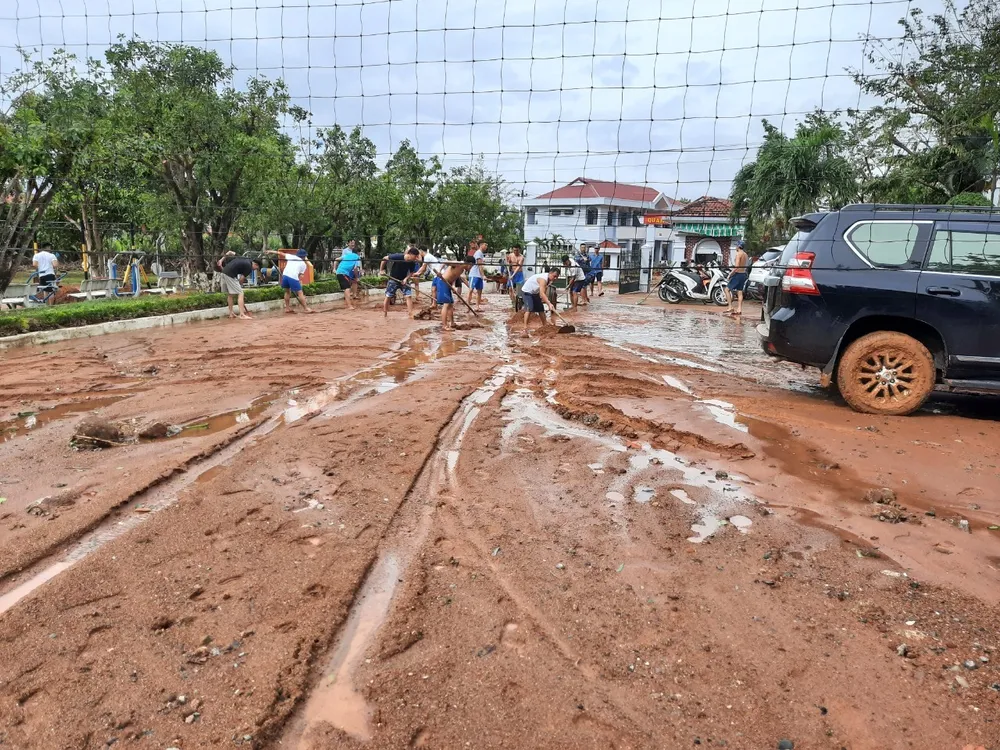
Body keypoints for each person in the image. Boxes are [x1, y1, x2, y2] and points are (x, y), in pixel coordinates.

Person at [265, 248, 315, 314]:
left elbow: (280, 253)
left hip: (285, 276)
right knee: (300, 293)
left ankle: (287, 308)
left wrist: (270, 251)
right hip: (293, 277)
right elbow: (300, 276)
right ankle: (306, 308)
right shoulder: (303, 264)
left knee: (287, 291)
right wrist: (299, 284)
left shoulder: (291, 256)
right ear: (304, 256)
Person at [380, 246, 424, 319]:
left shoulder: (412, 262)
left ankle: (411, 314)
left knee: (408, 296)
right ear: (411, 254)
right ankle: (385, 314)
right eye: (415, 256)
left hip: (403, 280)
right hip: (393, 279)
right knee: (388, 296)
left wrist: (406, 279)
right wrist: (381, 270)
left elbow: (411, 272)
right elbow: (384, 258)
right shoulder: (398, 256)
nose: (416, 258)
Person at [433, 256, 474, 331]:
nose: (471, 268)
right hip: (443, 282)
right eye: (471, 266)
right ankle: (444, 326)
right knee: (446, 304)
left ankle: (452, 323)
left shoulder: (462, 270)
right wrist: (439, 271)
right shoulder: (458, 264)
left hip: (448, 284)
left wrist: (453, 287)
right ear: (469, 263)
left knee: (450, 304)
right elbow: (445, 262)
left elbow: (454, 276)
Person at [520, 268, 561, 336]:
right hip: (527, 292)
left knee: (541, 309)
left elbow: (543, 293)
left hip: (535, 293)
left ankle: (545, 326)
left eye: (557, 277)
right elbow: (542, 293)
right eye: (554, 276)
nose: (555, 278)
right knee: (529, 308)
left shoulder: (549, 280)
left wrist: (544, 300)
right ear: (550, 273)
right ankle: (525, 329)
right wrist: (549, 303)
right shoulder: (543, 279)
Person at [219, 253, 259, 319]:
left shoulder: (245, 258)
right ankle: (242, 315)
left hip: (224, 272)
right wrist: (239, 287)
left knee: (230, 294)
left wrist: (221, 260)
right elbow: (241, 279)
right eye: (256, 268)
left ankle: (231, 313)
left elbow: (230, 252)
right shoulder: (249, 267)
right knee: (241, 293)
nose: (255, 270)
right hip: (230, 274)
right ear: (255, 264)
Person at [724, 240, 750, 317]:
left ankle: (730, 306)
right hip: (743, 274)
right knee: (740, 292)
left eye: (736, 246)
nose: (735, 247)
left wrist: (730, 274)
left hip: (738, 274)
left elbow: (736, 267)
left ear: (739, 246)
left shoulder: (739, 254)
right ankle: (739, 309)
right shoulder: (745, 254)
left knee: (726, 290)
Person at [335, 240, 362, 310]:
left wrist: (334, 269)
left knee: (347, 288)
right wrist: (356, 278)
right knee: (347, 289)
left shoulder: (347, 255)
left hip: (340, 272)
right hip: (343, 273)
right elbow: (355, 269)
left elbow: (336, 259)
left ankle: (349, 304)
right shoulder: (357, 257)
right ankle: (349, 306)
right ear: (358, 253)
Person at [468, 241, 487, 309]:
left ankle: (477, 307)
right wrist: (483, 275)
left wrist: (481, 276)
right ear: (481, 245)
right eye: (485, 245)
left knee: (479, 291)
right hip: (474, 274)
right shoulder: (478, 253)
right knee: (471, 290)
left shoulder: (481, 253)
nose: (486, 246)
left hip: (479, 275)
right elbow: (479, 265)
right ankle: (468, 307)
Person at [506, 244, 525, 308]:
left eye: (517, 250)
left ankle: (520, 301)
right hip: (511, 272)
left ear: (519, 250)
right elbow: (508, 262)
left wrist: (513, 275)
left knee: (519, 289)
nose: (515, 252)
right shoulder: (510, 255)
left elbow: (518, 267)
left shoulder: (521, 257)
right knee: (510, 288)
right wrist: (508, 266)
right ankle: (513, 302)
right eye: (514, 250)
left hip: (519, 274)